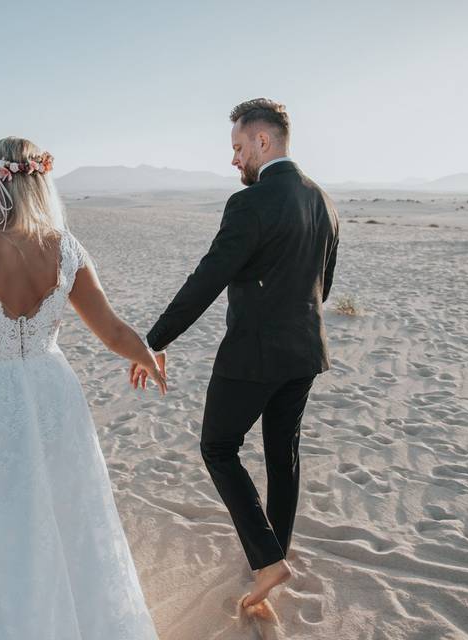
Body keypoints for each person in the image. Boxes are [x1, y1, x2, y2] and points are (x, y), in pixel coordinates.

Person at [0, 136, 165, 639]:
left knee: (6, 514)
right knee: (67, 505)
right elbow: (112, 329)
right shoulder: (67, 247)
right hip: (53, 393)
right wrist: (144, 355)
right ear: (40, 180)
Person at [130, 98, 341, 611]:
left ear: (262, 141)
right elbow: (324, 286)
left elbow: (207, 279)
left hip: (253, 356)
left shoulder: (249, 204)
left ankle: (269, 561)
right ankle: (277, 554)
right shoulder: (324, 200)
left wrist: (152, 342)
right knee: (282, 454)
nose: (234, 160)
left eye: (238, 147)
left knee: (218, 448)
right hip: (305, 352)